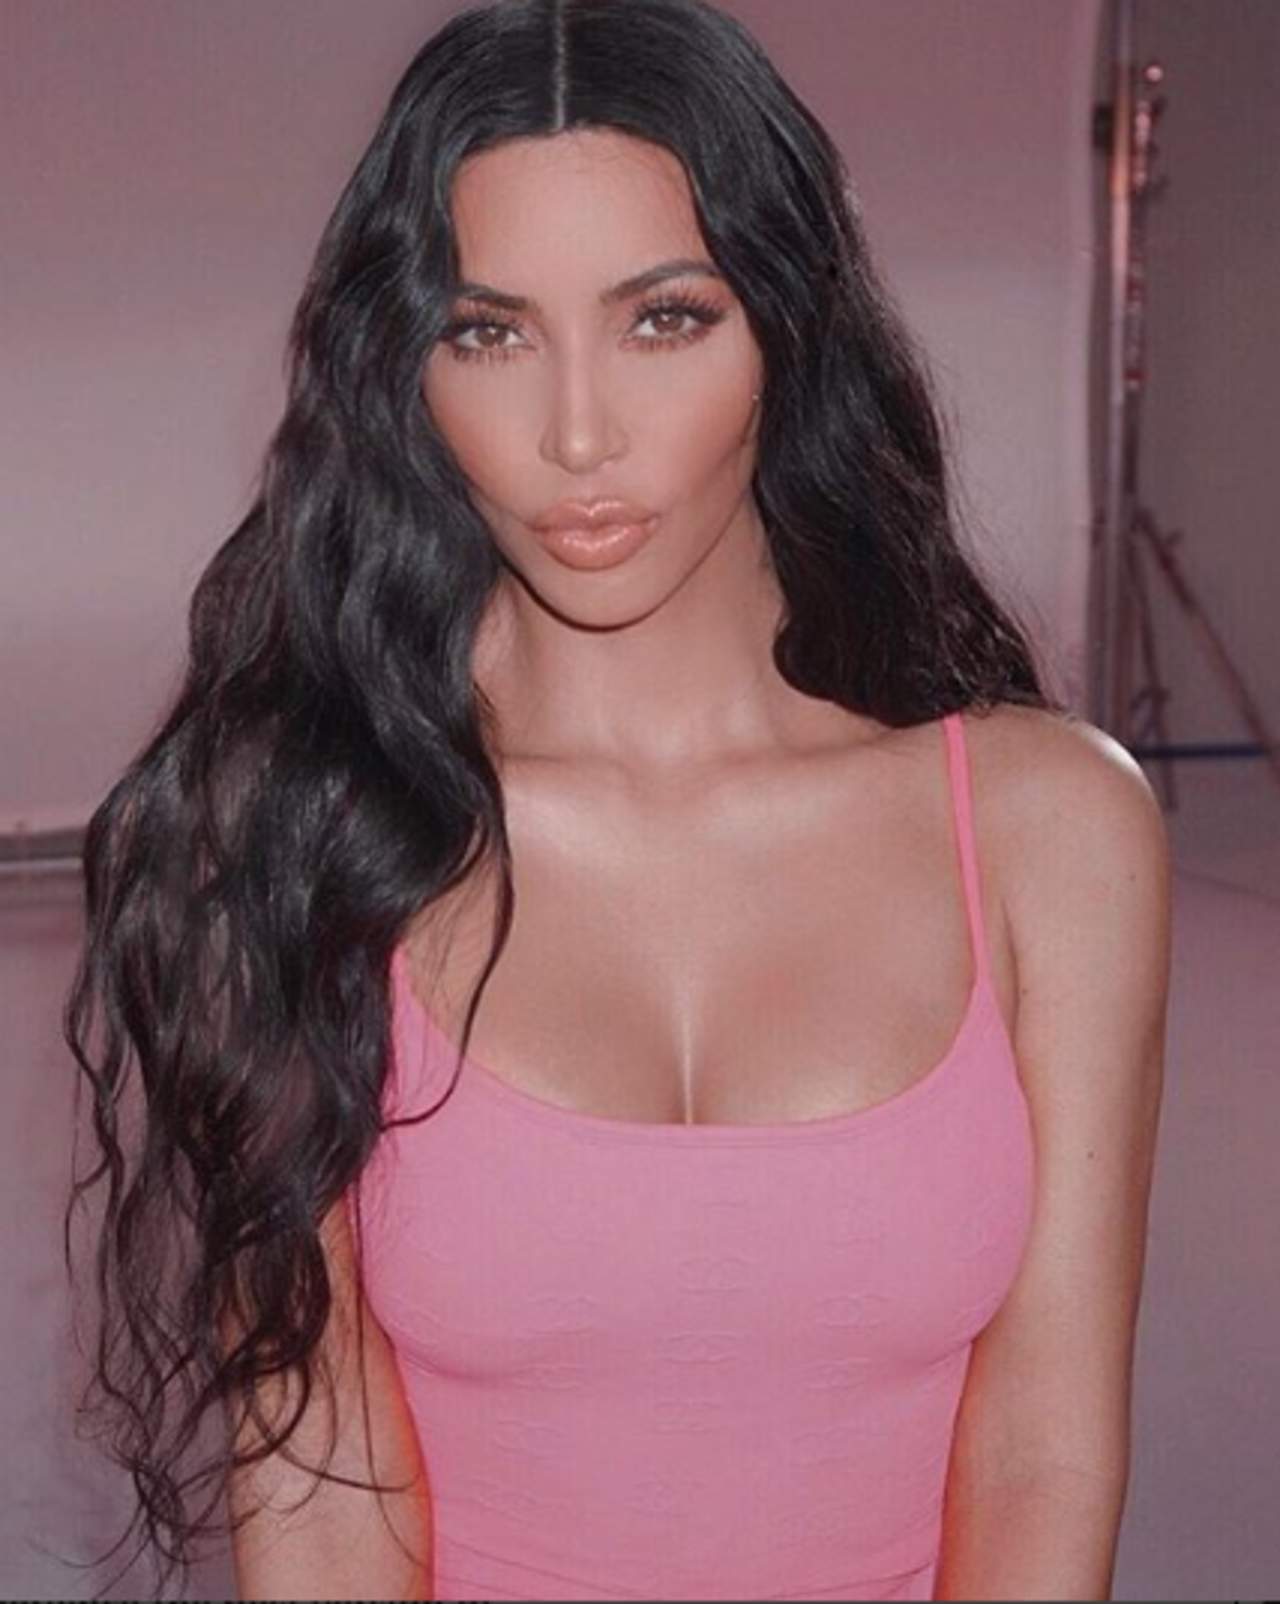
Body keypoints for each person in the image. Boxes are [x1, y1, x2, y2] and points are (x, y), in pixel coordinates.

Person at [63, 1, 1172, 1600]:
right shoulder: (297, 833)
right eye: (488, 333)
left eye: (664, 319)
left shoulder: (1054, 832)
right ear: (404, 368)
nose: (576, 433)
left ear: (788, 324)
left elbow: (1042, 1455)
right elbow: (320, 1484)